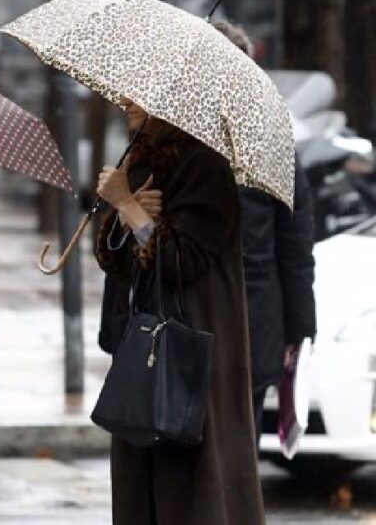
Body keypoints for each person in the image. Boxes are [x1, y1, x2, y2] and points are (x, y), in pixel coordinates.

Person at [95, 99, 264, 524]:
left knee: (191, 484)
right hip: (146, 347)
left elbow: (181, 260)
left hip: (193, 347)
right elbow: (118, 262)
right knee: (142, 477)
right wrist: (122, 212)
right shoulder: (139, 163)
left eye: (139, 96)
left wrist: (129, 208)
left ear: (171, 105)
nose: (126, 102)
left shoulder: (205, 166)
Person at [213, 20, 317, 440]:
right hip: (253, 328)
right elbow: (295, 251)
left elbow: (294, 250)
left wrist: (300, 332)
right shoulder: (271, 144)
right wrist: (299, 333)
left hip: (217, 327)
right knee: (240, 455)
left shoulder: (176, 145)